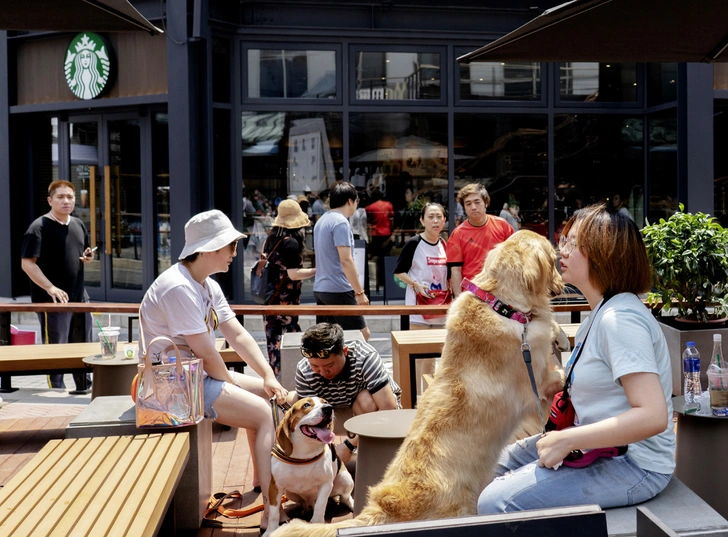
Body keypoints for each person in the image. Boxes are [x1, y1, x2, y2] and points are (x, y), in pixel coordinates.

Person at [477, 203, 675, 514]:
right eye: (563, 240)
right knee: (479, 469)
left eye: (572, 242)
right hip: (597, 447)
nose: (560, 251)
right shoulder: (600, 314)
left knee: (495, 502)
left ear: (603, 252)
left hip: (634, 464)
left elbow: (652, 416)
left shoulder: (620, 319)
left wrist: (567, 440)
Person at [138, 209, 287, 531]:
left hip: (193, 376)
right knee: (262, 412)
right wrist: (233, 382)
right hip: (171, 388)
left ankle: (263, 484)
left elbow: (237, 334)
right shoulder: (178, 287)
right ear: (208, 249)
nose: (235, 253)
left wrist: (268, 375)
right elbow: (206, 353)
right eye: (230, 246)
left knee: (264, 393)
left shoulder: (204, 283)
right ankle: (272, 514)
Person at [21, 180, 93, 392]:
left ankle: (83, 385)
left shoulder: (78, 224)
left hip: (80, 297)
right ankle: (57, 390)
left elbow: (82, 252)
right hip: (52, 301)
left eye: (70, 197)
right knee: (57, 347)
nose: (66, 201)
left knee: (83, 343)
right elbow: (27, 263)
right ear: (50, 200)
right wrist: (50, 288)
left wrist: (87, 258)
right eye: (60, 197)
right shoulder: (37, 228)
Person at [292, 322, 401, 462]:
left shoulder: (365, 357)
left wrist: (348, 445)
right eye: (315, 366)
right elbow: (308, 418)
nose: (323, 372)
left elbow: (389, 408)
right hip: (332, 413)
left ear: (344, 351)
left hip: (370, 412)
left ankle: (371, 457)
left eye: (329, 365)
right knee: (291, 402)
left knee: (366, 400)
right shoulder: (304, 369)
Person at [262, 200, 316, 379]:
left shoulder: (270, 239)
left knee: (274, 343)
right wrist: (318, 271)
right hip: (285, 302)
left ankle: (276, 380)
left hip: (270, 300)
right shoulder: (291, 243)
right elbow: (293, 274)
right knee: (287, 343)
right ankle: (287, 383)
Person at [313, 182, 370, 341]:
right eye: (357, 201)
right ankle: (353, 366)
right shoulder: (340, 222)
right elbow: (346, 260)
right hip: (338, 288)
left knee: (330, 340)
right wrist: (359, 293)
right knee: (362, 335)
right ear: (350, 201)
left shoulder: (322, 221)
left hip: (321, 289)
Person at [447, 183, 514, 298]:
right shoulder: (458, 234)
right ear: (464, 208)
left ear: (486, 203)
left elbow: (515, 258)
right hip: (471, 292)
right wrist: (458, 298)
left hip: (500, 291)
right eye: (468, 204)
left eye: (477, 202)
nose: (473, 207)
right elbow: (456, 270)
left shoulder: (502, 226)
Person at [394, 202, 448, 329]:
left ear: (444, 220)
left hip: (440, 308)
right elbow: (399, 272)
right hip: (418, 309)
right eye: (430, 217)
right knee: (419, 348)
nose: (435, 221)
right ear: (422, 221)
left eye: (439, 217)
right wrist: (415, 284)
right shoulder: (414, 243)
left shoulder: (444, 244)